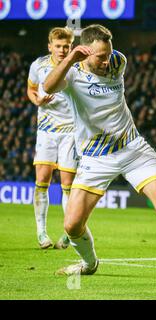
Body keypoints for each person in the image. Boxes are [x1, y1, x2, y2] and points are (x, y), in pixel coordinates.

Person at [43, 24, 156, 283]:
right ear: (83, 52)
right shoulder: (71, 75)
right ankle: (90, 263)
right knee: (71, 226)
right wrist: (70, 59)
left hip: (132, 148)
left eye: (108, 54)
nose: (107, 61)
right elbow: (48, 86)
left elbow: (107, 62)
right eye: (100, 56)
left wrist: (100, 57)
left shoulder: (118, 62)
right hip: (96, 158)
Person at [27, 27, 77, 250]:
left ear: (71, 47)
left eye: (66, 46)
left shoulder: (77, 66)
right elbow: (31, 89)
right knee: (42, 180)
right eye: (58, 46)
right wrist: (36, 100)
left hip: (71, 132)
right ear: (50, 47)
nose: (62, 50)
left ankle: (68, 232)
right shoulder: (38, 66)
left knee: (68, 184)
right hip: (46, 131)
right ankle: (41, 233)